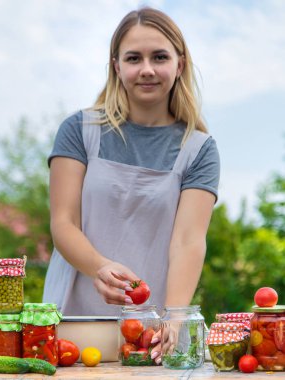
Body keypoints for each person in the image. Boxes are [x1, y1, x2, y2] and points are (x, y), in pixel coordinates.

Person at [43, 6, 220, 353]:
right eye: (134, 58)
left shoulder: (199, 149)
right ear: (117, 66)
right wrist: (100, 267)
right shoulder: (79, 131)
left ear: (179, 64)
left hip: (154, 333)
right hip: (75, 325)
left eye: (160, 57)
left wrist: (176, 315)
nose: (148, 70)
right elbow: (63, 223)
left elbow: (188, 240)